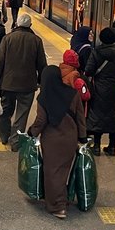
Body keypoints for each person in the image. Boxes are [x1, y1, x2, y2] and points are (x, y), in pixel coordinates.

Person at [28, 66, 87, 219]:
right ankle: (64, 198)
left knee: (52, 173)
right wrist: (83, 138)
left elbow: (41, 120)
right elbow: (81, 118)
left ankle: (58, 206)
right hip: (70, 140)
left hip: (52, 141)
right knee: (64, 171)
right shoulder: (73, 94)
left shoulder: (43, 97)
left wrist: (31, 132)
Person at [0, 14, 47, 149]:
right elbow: (42, 64)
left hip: (7, 83)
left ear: (16, 24)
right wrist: (41, 82)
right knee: (22, 115)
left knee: (5, 111)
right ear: (30, 26)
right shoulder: (36, 41)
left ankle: (4, 137)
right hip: (27, 85)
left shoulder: (7, 39)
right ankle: (15, 143)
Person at [83, 27, 115, 156]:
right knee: (114, 114)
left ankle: (96, 146)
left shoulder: (97, 52)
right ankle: (112, 146)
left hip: (100, 87)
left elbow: (89, 70)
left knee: (98, 114)